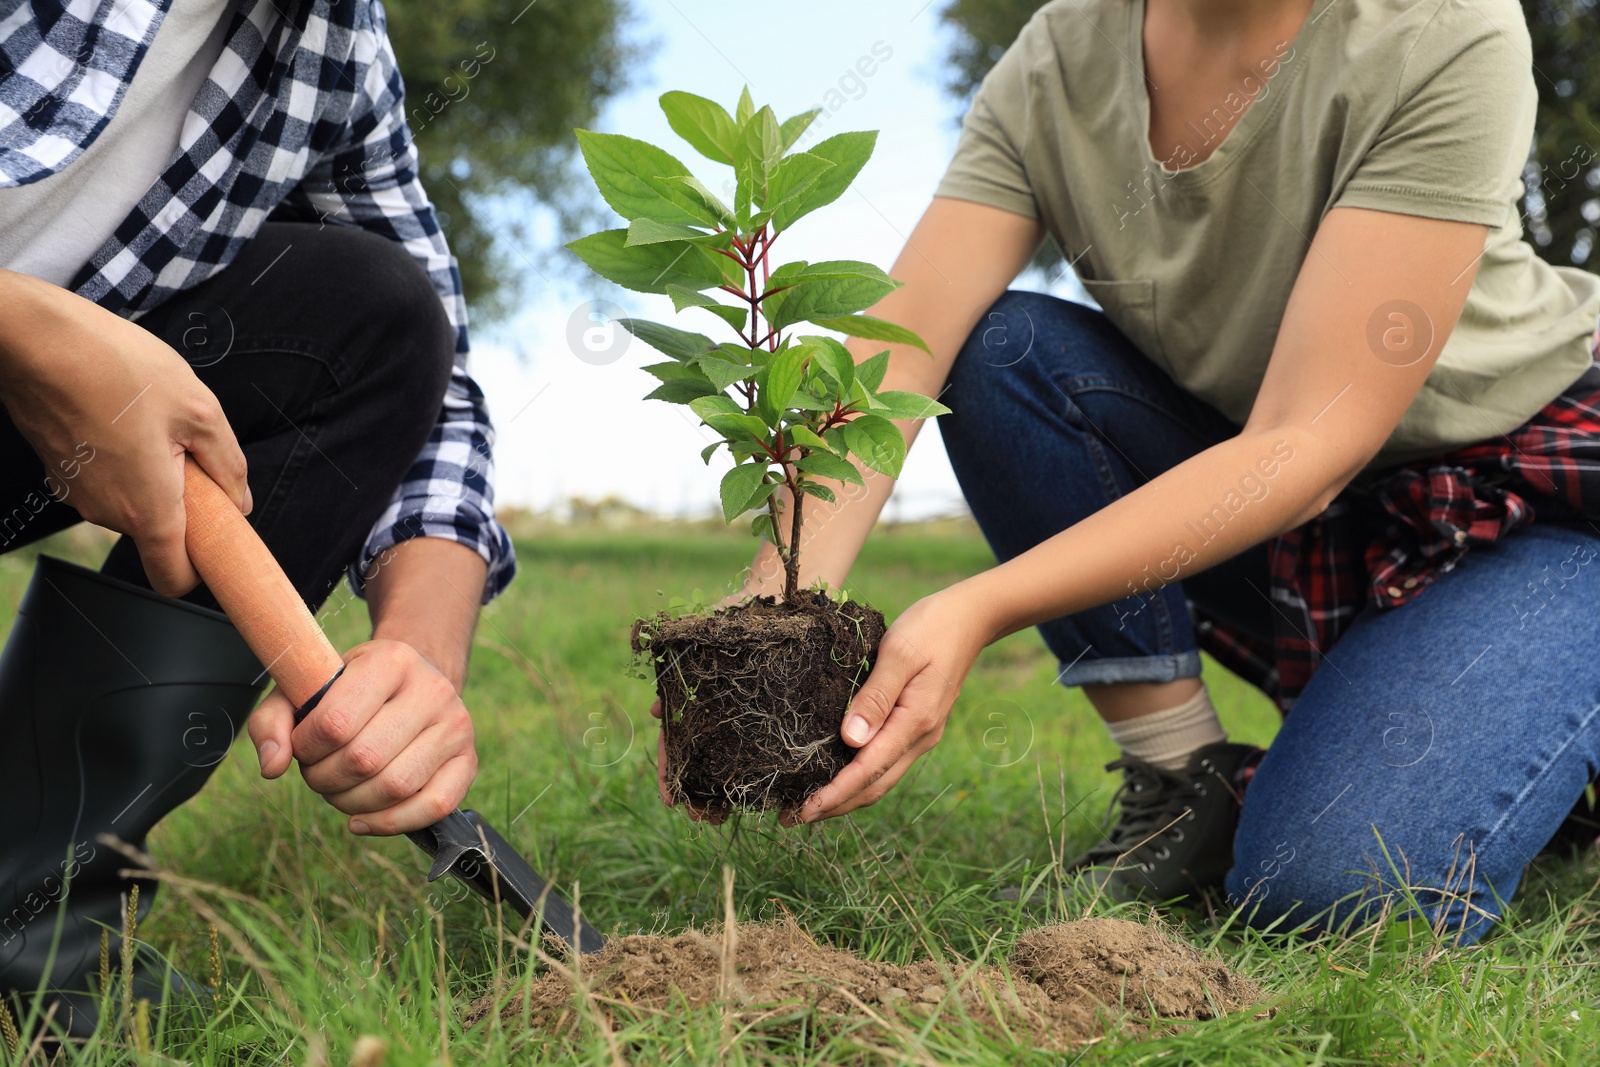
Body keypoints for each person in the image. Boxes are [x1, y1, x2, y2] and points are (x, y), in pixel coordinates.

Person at [678, 0, 1600, 943]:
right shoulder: (1057, 60)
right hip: (1289, 526)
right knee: (1002, 352)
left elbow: (1307, 441)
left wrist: (978, 608)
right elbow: (900, 356)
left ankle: (1534, 720)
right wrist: (769, 616)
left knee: (1336, 890)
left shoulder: (1440, 30)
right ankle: (1181, 784)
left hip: (1529, 509)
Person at [0, 0, 512, 1035]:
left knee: (369, 313)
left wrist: (416, 650)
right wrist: (23, 326)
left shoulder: (330, 47)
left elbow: (435, 388)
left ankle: (25, 923)